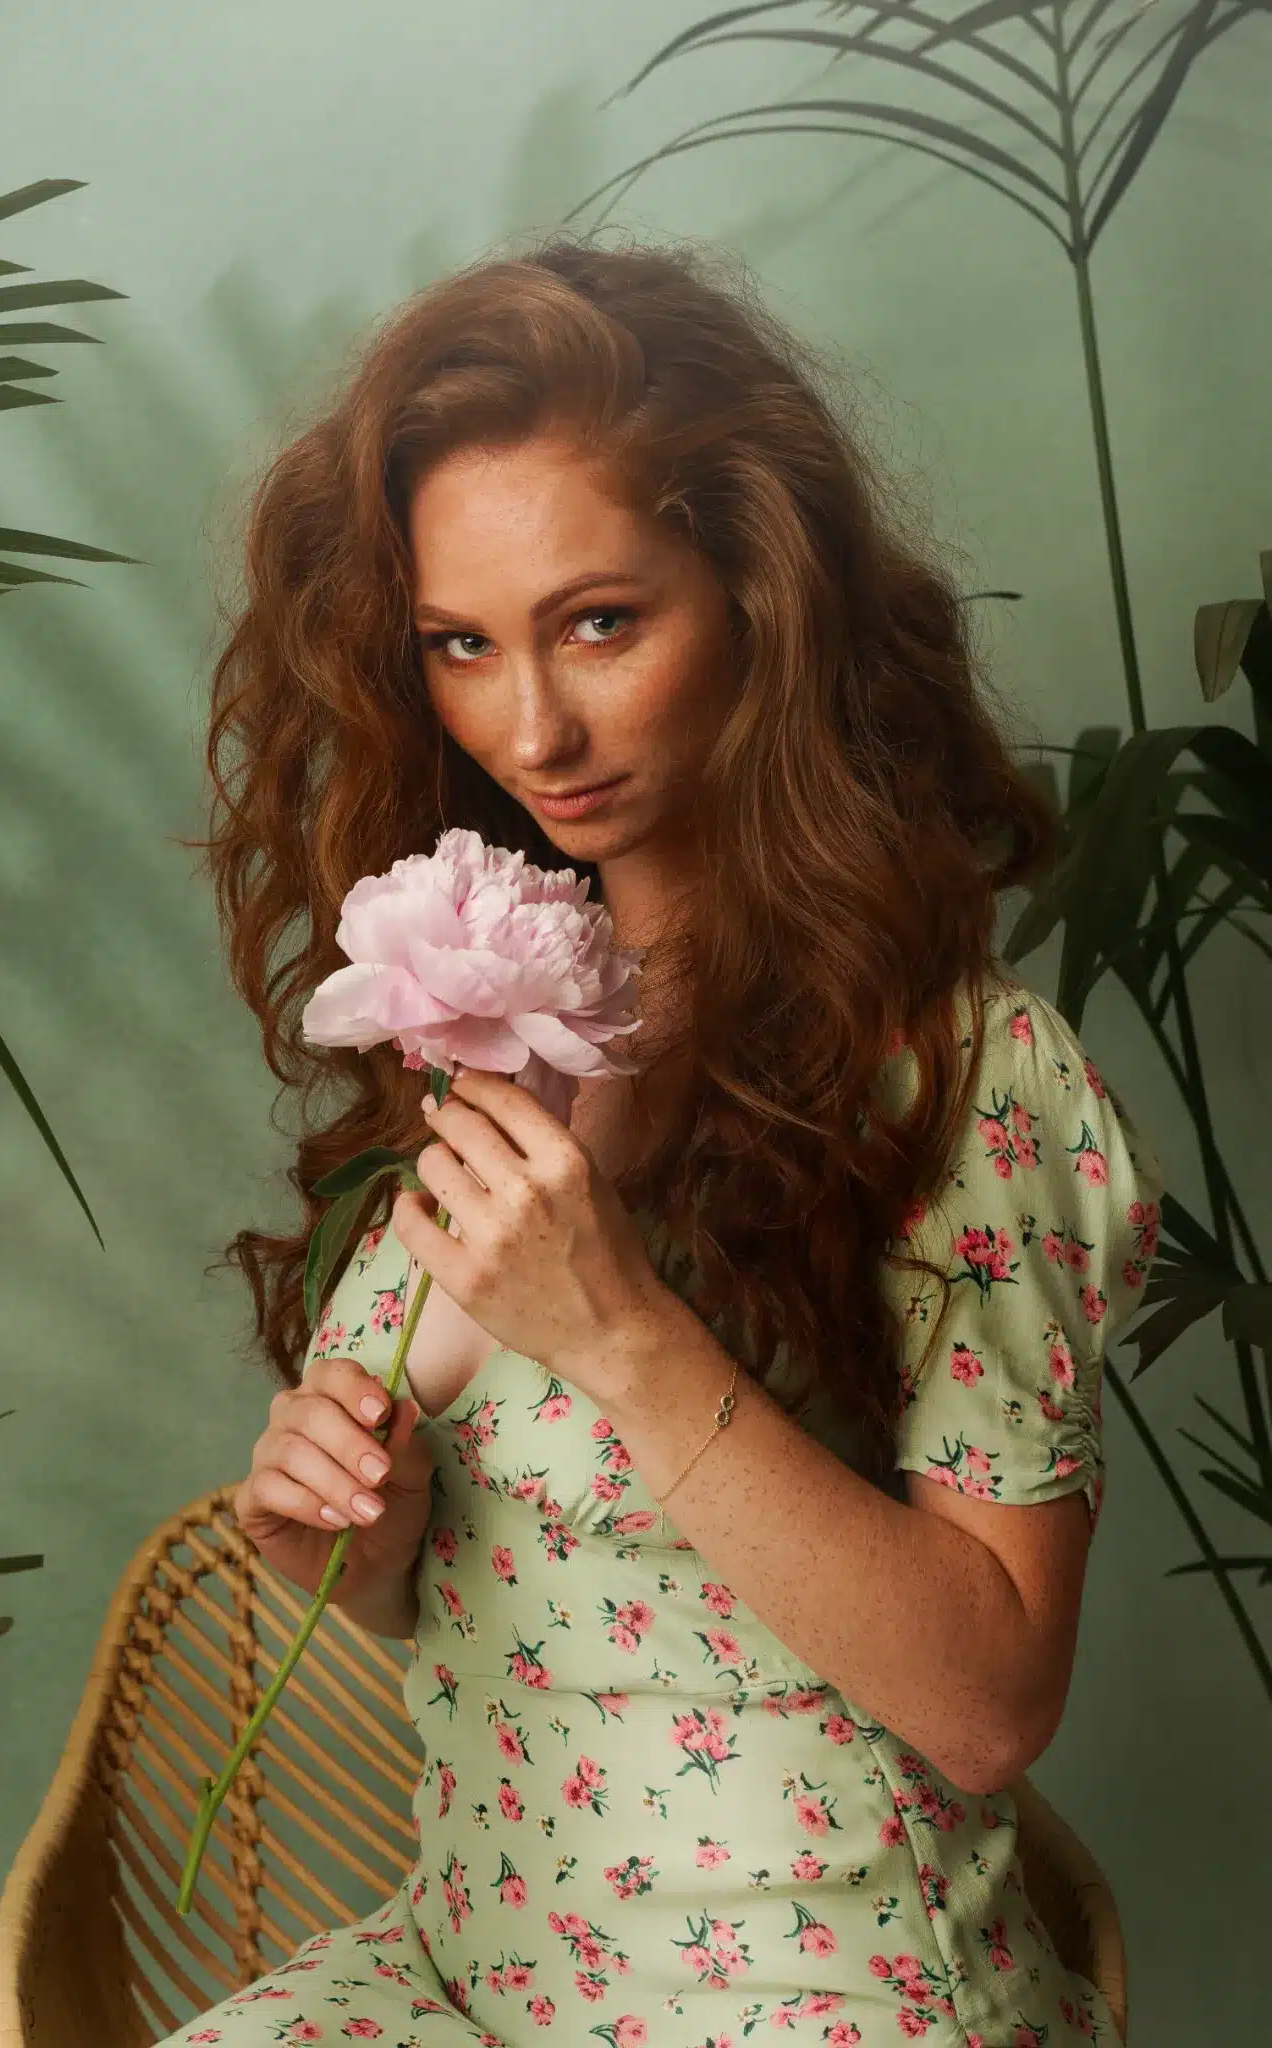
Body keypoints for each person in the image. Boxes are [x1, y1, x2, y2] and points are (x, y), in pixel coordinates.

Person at [163, 233, 1162, 2048]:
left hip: (806, 1999)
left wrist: (621, 1333)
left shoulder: (962, 1074)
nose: (532, 724)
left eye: (600, 622)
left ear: (764, 599)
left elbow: (993, 1706)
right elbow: (533, 1601)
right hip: (470, 1970)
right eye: (461, 646)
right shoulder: (488, 1009)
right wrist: (351, 1540)